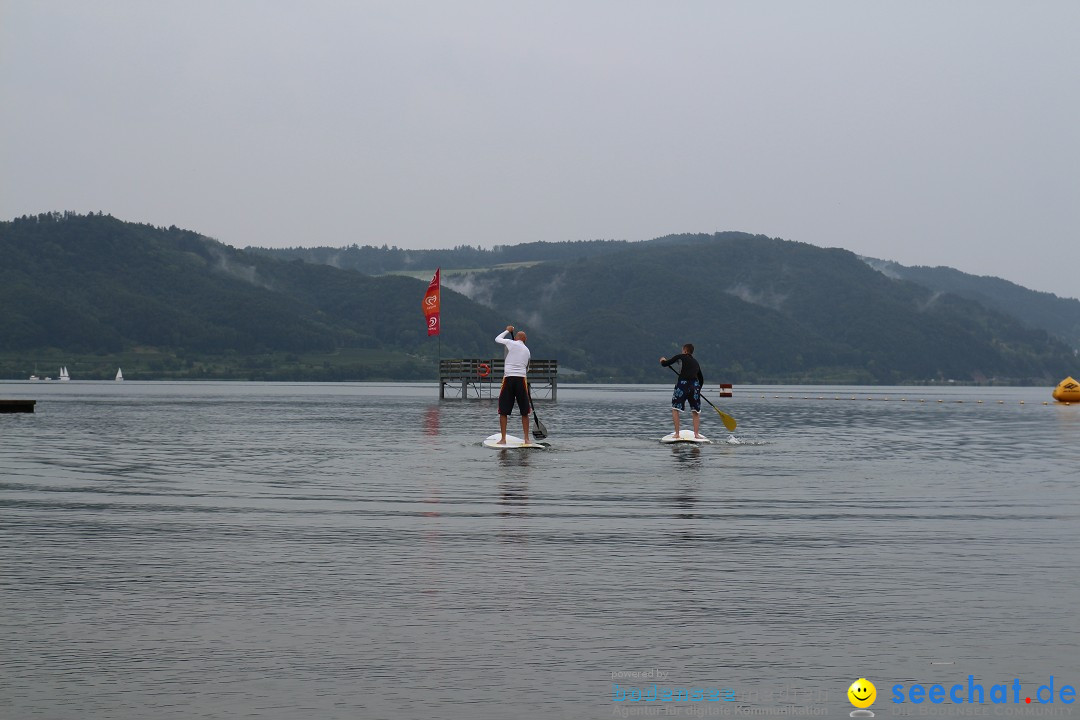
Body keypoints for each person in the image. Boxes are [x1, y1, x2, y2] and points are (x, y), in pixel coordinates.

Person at [495, 325, 532, 444]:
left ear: (516, 338)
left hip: (509, 379)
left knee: (503, 411)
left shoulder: (511, 343)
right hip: (521, 380)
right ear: (525, 340)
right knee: (525, 412)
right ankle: (526, 439)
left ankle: (503, 439)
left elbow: (497, 339)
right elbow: (527, 369)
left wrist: (507, 330)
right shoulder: (527, 351)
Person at [660, 344, 704, 438]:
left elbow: (665, 364)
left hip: (683, 384)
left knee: (675, 409)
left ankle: (677, 434)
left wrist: (662, 360)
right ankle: (696, 434)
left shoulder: (680, 357)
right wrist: (698, 390)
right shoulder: (696, 362)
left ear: (684, 350)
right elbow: (701, 379)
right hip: (695, 385)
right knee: (696, 411)